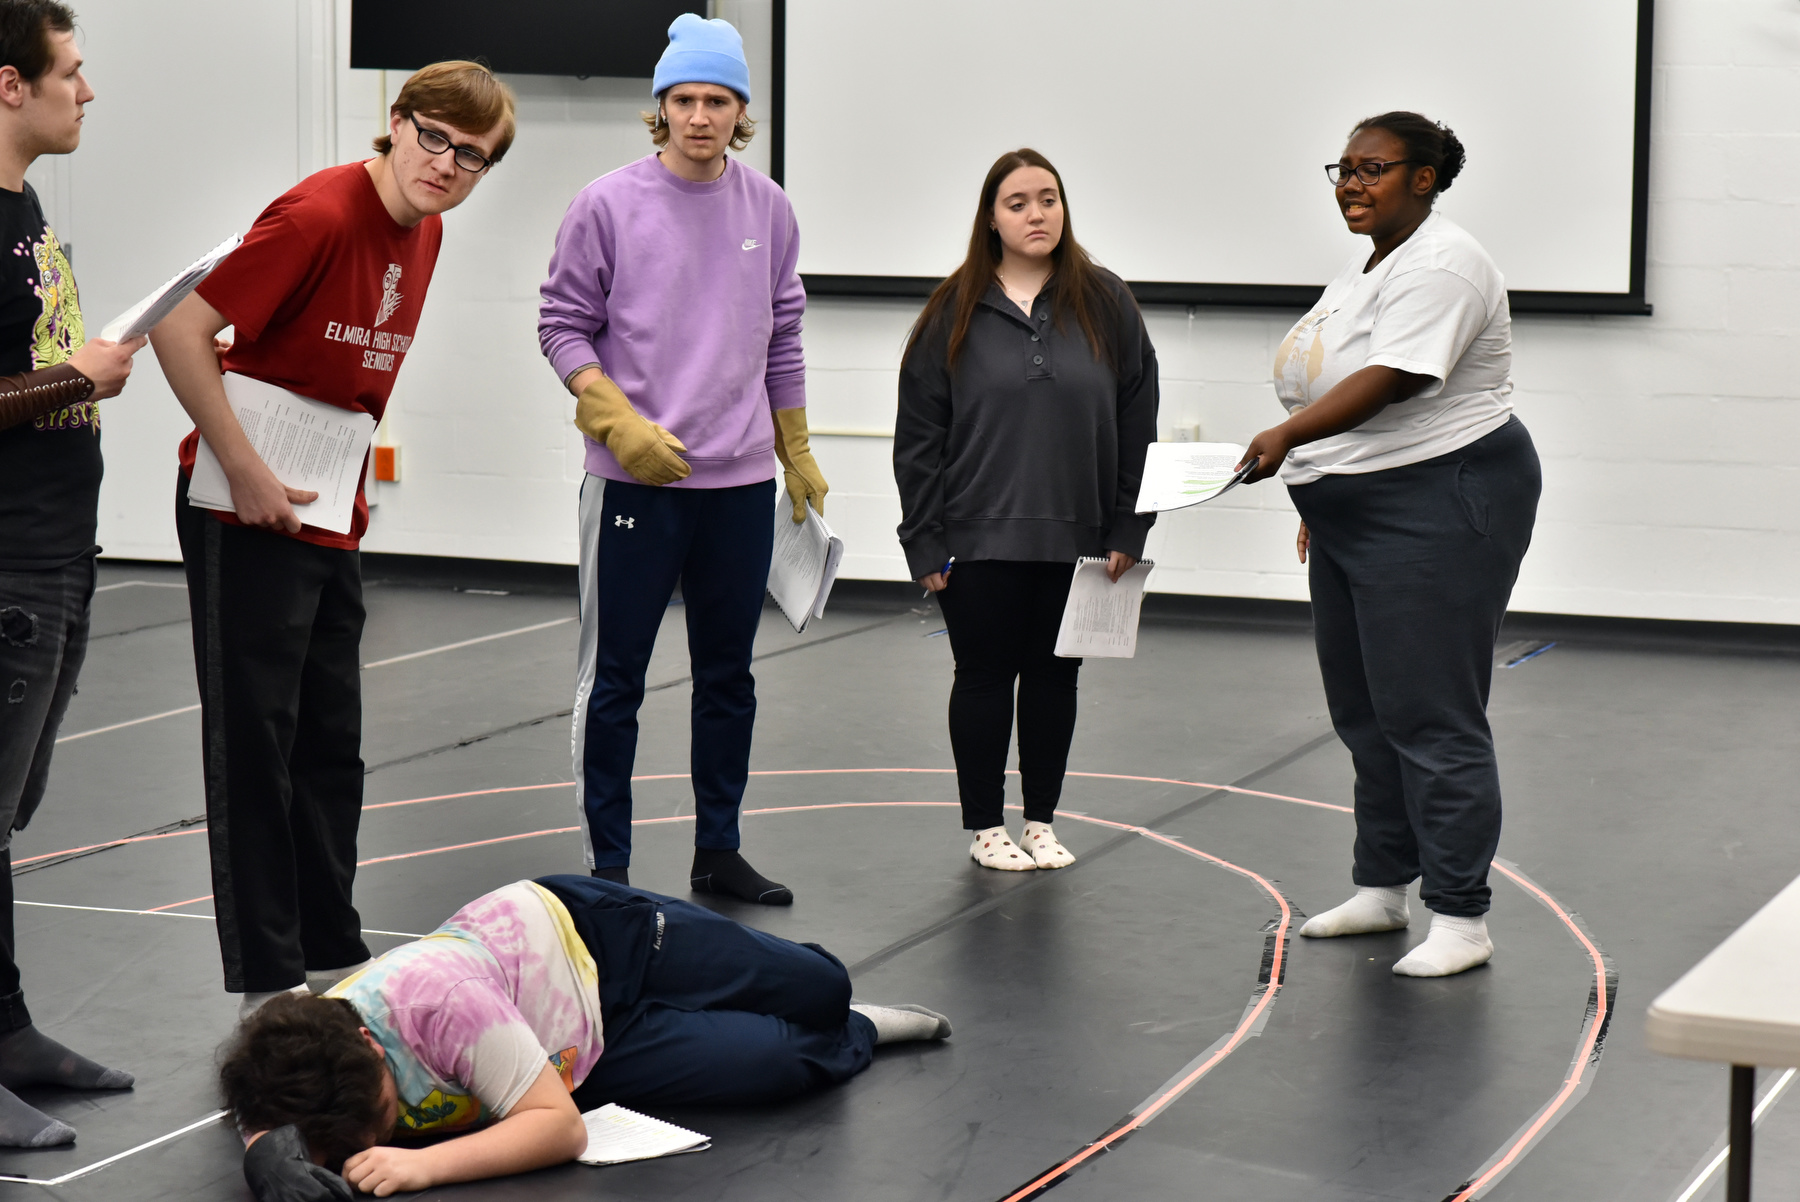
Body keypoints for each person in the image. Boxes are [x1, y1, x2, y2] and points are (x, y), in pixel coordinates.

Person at [149, 62, 516, 1018]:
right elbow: (181, 332)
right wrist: (249, 472)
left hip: (326, 506)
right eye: (433, 136)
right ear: (395, 125)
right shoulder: (318, 213)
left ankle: (329, 947)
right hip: (242, 500)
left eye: (471, 156)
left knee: (330, 742)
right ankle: (269, 978)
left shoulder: (426, 229)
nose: (446, 164)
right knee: (254, 742)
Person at [1237, 112, 1540, 978]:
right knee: (1366, 710)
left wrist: (1290, 438)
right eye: (1344, 168)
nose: (1351, 183)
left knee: (1432, 715)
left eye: (1373, 169)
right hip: (1356, 509)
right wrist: (1324, 485)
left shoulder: (1446, 263)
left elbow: (1396, 378)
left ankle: (1461, 916)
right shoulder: (1369, 263)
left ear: (1425, 177)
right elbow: (1340, 378)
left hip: (1440, 502)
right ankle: (1382, 887)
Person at [538, 15, 827, 905]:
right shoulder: (606, 203)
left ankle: (719, 849)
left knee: (727, 678)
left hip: (738, 487)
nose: (699, 116)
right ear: (658, 109)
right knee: (615, 677)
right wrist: (615, 419)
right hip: (635, 482)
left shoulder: (769, 208)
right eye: (683, 100)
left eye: (717, 100)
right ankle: (609, 868)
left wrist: (798, 445)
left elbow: (782, 333)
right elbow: (561, 325)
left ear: (741, 112)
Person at [222, 874, 949, 1200]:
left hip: (603, 944)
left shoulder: (441, 1004)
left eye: (373, 1117)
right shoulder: (314, 1055)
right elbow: (258, 1095)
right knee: (781, 1064)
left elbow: (559, 1131)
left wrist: (426, 1168)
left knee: (822, 990)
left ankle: (849, 1009)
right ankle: (856, 1036)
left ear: (377, 1053)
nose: (367, 1144)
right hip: (576, 1052)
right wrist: (267, 1159)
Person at [894, 149, 1158, 873]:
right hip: (975, 541)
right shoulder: (950, 310)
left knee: (1055, 681)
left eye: (1048, 199)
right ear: (990, 218)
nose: (1036, 213)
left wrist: (1130, 527)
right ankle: (986, 828)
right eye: (1018, 202)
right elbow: (918, 438)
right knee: (982, 678)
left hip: (1081, 539)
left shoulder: (1107, 302)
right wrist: (924, 543)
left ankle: (1040, 821)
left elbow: (1140, 424)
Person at [0, 0, 146, 1148]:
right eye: (71, 72)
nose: (85, 92)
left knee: (7, 817)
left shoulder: (25, 205)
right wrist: (75, 382)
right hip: (6, 562)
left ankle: (5, 1028)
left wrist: (80, 373)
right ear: (11, 84)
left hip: (57, 553)